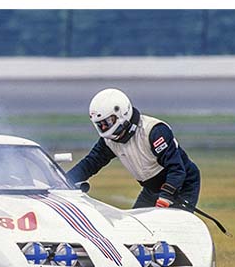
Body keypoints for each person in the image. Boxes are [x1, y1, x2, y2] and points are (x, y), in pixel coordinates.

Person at [66, 88, 201, 210]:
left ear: (122, 114)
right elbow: (90, 163)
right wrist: (64, 181)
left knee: (171, 229)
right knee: (136, 231)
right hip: (151, 189)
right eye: (100, 125)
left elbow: (177, 170)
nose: (104, 128)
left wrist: (165, 198)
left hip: (181, 184)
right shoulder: (109, 140)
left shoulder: (154, 132)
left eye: (107, 122)